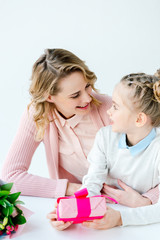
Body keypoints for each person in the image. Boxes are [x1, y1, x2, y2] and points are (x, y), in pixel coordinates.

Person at [1, 49, 157, 205]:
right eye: (75, 95)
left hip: (130, 208)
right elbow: (11, 176)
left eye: (87, 86)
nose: (88, 98)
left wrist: (148, 199)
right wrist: (75, 190)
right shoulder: (37, 116)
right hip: (86, 205)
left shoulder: (111, 111)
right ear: (49, 97)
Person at [47, 69, 160, 230]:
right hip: (108, 213)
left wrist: (120, 218)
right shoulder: (105, 137)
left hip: (145, 225)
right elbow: (92, 182)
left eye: (115, 106)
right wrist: (75, 211)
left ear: (139, 119)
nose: (109, 111)